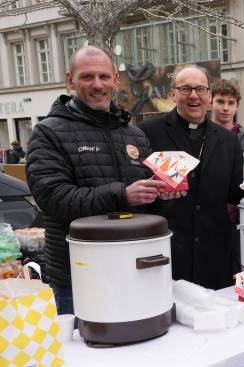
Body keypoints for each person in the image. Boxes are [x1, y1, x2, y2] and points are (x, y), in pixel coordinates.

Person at [26, 46, 166, 315]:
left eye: (104, 76)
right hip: (79, 278)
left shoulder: (134, 135)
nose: (97, 84)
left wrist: (162, 194)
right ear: (71, 81)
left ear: (116, 79)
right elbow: (53, 199)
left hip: (133, 268)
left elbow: (147, 204)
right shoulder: (48, 132)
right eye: (87, 77)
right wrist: (122, 195)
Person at [138, 66, 244, 290]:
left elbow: (233, 192)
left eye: (201, 89)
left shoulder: (227, 140)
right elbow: (138, 186)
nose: (194, 95)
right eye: (186, 89)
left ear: (209, 96)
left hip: (215, 252)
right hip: (169, 250)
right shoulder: (148, 132)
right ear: (173, 94)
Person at [210, 78, 244, 275]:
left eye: (230, 103)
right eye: (220, 102)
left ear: (237, 105)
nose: (225, 108)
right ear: (210, 102)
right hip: (213, 216)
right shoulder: (203, 135)